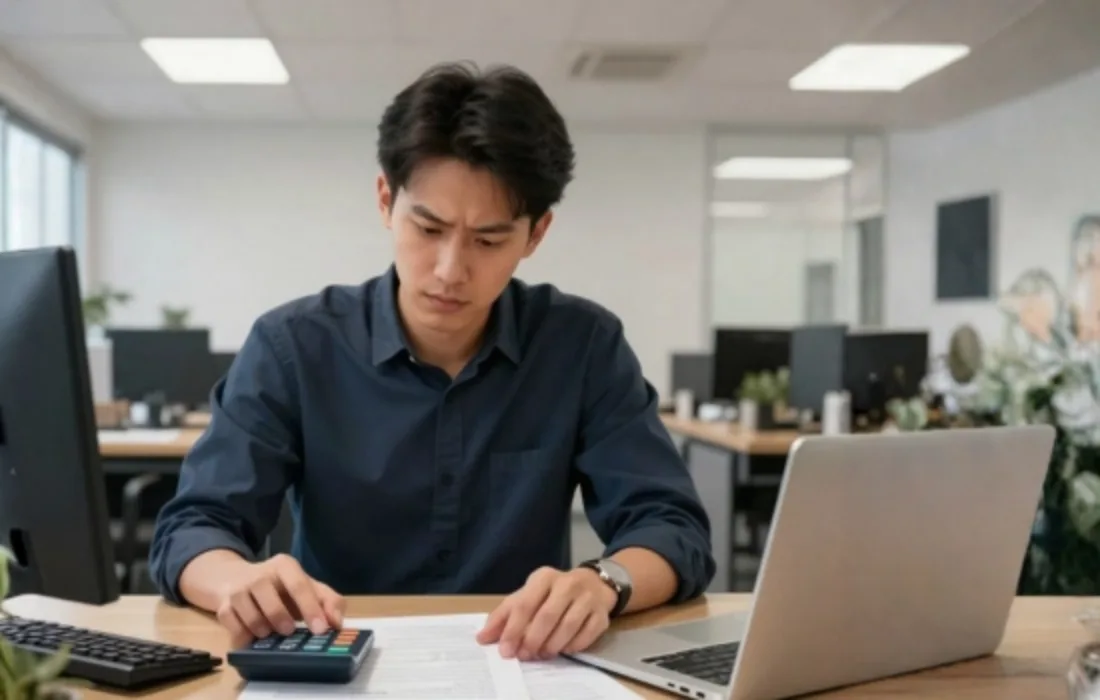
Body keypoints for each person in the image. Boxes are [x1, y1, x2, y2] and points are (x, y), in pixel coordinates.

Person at [148, 61, 715, 662]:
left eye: (489, 240)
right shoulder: (294, 347)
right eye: (428, 227)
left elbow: (671, 527)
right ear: (386, 201)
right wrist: (237, 579)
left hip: (520, 665)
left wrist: (604, 583)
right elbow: (194, 527)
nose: (450, 270)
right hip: (335, 659)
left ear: (536, 234)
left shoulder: (582, 347)